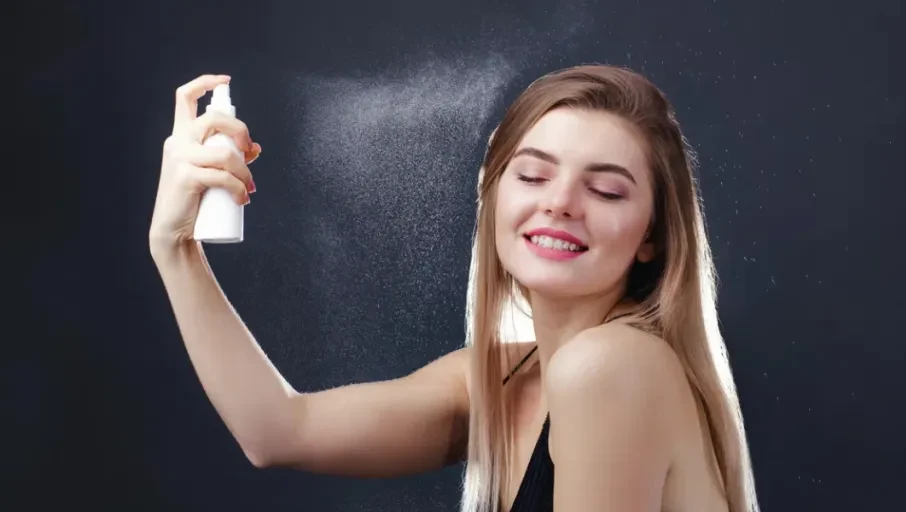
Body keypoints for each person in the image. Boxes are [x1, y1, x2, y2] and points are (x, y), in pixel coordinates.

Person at [149, 64, 759, 512]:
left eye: (605, 190)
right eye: (533, 174)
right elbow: (279, 430)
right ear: (493, 195)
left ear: (652, 235)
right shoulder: (501, 378)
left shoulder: (612, 366)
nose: (560, 203)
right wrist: (174, 246)